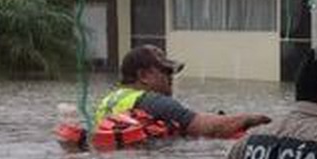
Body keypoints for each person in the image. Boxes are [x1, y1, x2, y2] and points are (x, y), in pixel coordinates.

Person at [95, 45, 271, 137]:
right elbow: (209, 128)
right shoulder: (154, 102)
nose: (171, 78)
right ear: (144, 76)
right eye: (166, 71)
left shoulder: (108, 100)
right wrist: (251, 118)